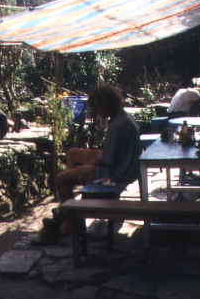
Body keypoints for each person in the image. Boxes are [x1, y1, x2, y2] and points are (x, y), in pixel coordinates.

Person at [43, 84, 141, 243]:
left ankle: (69, 218)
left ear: (105, 105)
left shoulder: (117, 126)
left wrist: (89, 164)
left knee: (61, 178)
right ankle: (72, 202)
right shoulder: (124, 117)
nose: (97, 112)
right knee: (73, 153)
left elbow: (107, 161)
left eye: (98, 107)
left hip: (115, 172)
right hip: (123, 163)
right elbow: (111, 153)